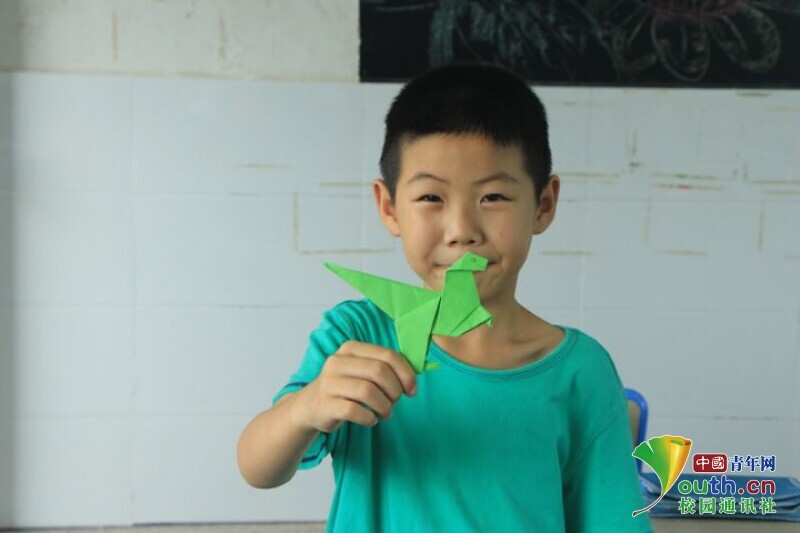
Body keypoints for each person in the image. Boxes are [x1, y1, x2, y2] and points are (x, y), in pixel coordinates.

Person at [237, 63, 652, 532]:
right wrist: (308, 406)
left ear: (543, 204)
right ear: (389, 207)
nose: (461, 231)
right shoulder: (356, 338)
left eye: (493, 197)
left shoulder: (581, 372)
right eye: (431, 198)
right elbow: (258, 468)